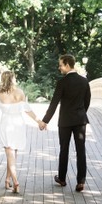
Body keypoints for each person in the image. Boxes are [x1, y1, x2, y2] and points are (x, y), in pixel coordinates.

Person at [38, 54, 91, 192]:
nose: (59, 68)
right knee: (81, 151)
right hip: (80, 120)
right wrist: (80, 113)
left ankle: (62, 178)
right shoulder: (84, 81)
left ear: (67, 65)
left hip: (65, 121)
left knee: (64, 150)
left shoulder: (62, 83)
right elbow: (87, 102)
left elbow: (54, 104)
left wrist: (45, 121)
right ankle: (81, 181)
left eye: (61, 65)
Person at [0, 70, 40, 194]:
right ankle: (7, 180)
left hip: (6, 123)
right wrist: (39, 122)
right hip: (18, 124)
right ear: (13, 79)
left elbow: (0, 106)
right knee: (13, 154)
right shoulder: (20, 92)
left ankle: (15, 181)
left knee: (9, 154)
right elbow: (27, 109)